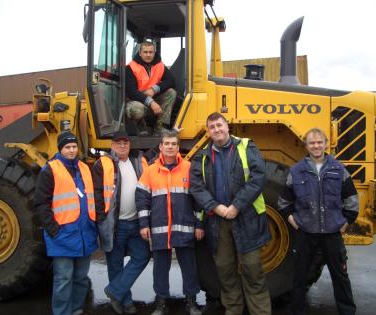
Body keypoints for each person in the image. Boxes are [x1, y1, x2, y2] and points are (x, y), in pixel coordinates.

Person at [190, 112, 272, 315]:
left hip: (245, 218)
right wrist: (215, 207)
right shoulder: (202, 155)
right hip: (218, 222)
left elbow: (258, 176)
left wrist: (236, 206)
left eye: (219, 125)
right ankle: (233, 310)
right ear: (208, 132)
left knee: (253, 270)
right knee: (225, 270)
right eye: (212, 127)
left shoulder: (246, 147)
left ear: (227, 126)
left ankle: (260, 312)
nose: (216, 129)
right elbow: (196, 187)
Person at [278, 127, 358, 315]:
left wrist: (346, 222)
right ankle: (298, 311)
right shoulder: (296, 171)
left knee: (340, 276)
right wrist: (294, 221)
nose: (316, 146)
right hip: (306, 233)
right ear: (306, 146)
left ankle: (347, 311)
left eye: (319, 142)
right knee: (299, 276)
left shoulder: (339, 169)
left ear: (325, 144)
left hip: (332, 233)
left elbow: (351, 200)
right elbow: (284, 201)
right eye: (312, 143)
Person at [136, 129, 203, 315]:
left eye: (173, 144)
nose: (170, 147)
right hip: (159, 230)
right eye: (167, 143)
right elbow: (142, 199)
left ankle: (191, 301)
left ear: (178, 147)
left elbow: (199, 199)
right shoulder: (150, 171)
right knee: (160, 269)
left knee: (189, 267)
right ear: (161, 146)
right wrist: (143, 225)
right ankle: (160, 302)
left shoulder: (189, 168)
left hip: (185, 227)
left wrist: (199, 225)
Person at [34, 131, 98, 315]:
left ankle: (76, 309)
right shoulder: (50, 170)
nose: (71, 150)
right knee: (63, 279)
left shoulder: (84, 168)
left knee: (81, 278)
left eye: (74, 147)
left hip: (85, 234)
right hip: (63, 235)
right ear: (60, 149)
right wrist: (54, 230)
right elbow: (41, 203)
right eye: (67, 147)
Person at [92, 130, 150, 314]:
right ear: (112, 146)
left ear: (130, 145)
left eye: (125, 142)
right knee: (115, 263)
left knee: (142, 256)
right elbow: (97, 194)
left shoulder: (138, 162)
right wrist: (101, 219)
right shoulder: (103, 164)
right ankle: (125, 302)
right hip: (115, 225)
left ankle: (114, 291)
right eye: (118, 143)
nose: (122, 145)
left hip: (136, 221)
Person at [126, 41, 176, 136]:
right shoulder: (130, 67)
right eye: (145, 52)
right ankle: (141, 128)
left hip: (153, 96)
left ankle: (160, 129)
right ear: (140, 53)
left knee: (171, 92)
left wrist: (154, 89)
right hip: (136, 100)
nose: (148, 55)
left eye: (151, 52)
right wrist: (151, 102)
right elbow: (131, 92)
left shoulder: (160, 65)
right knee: (137, 108)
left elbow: (171, 81)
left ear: (154, 53)